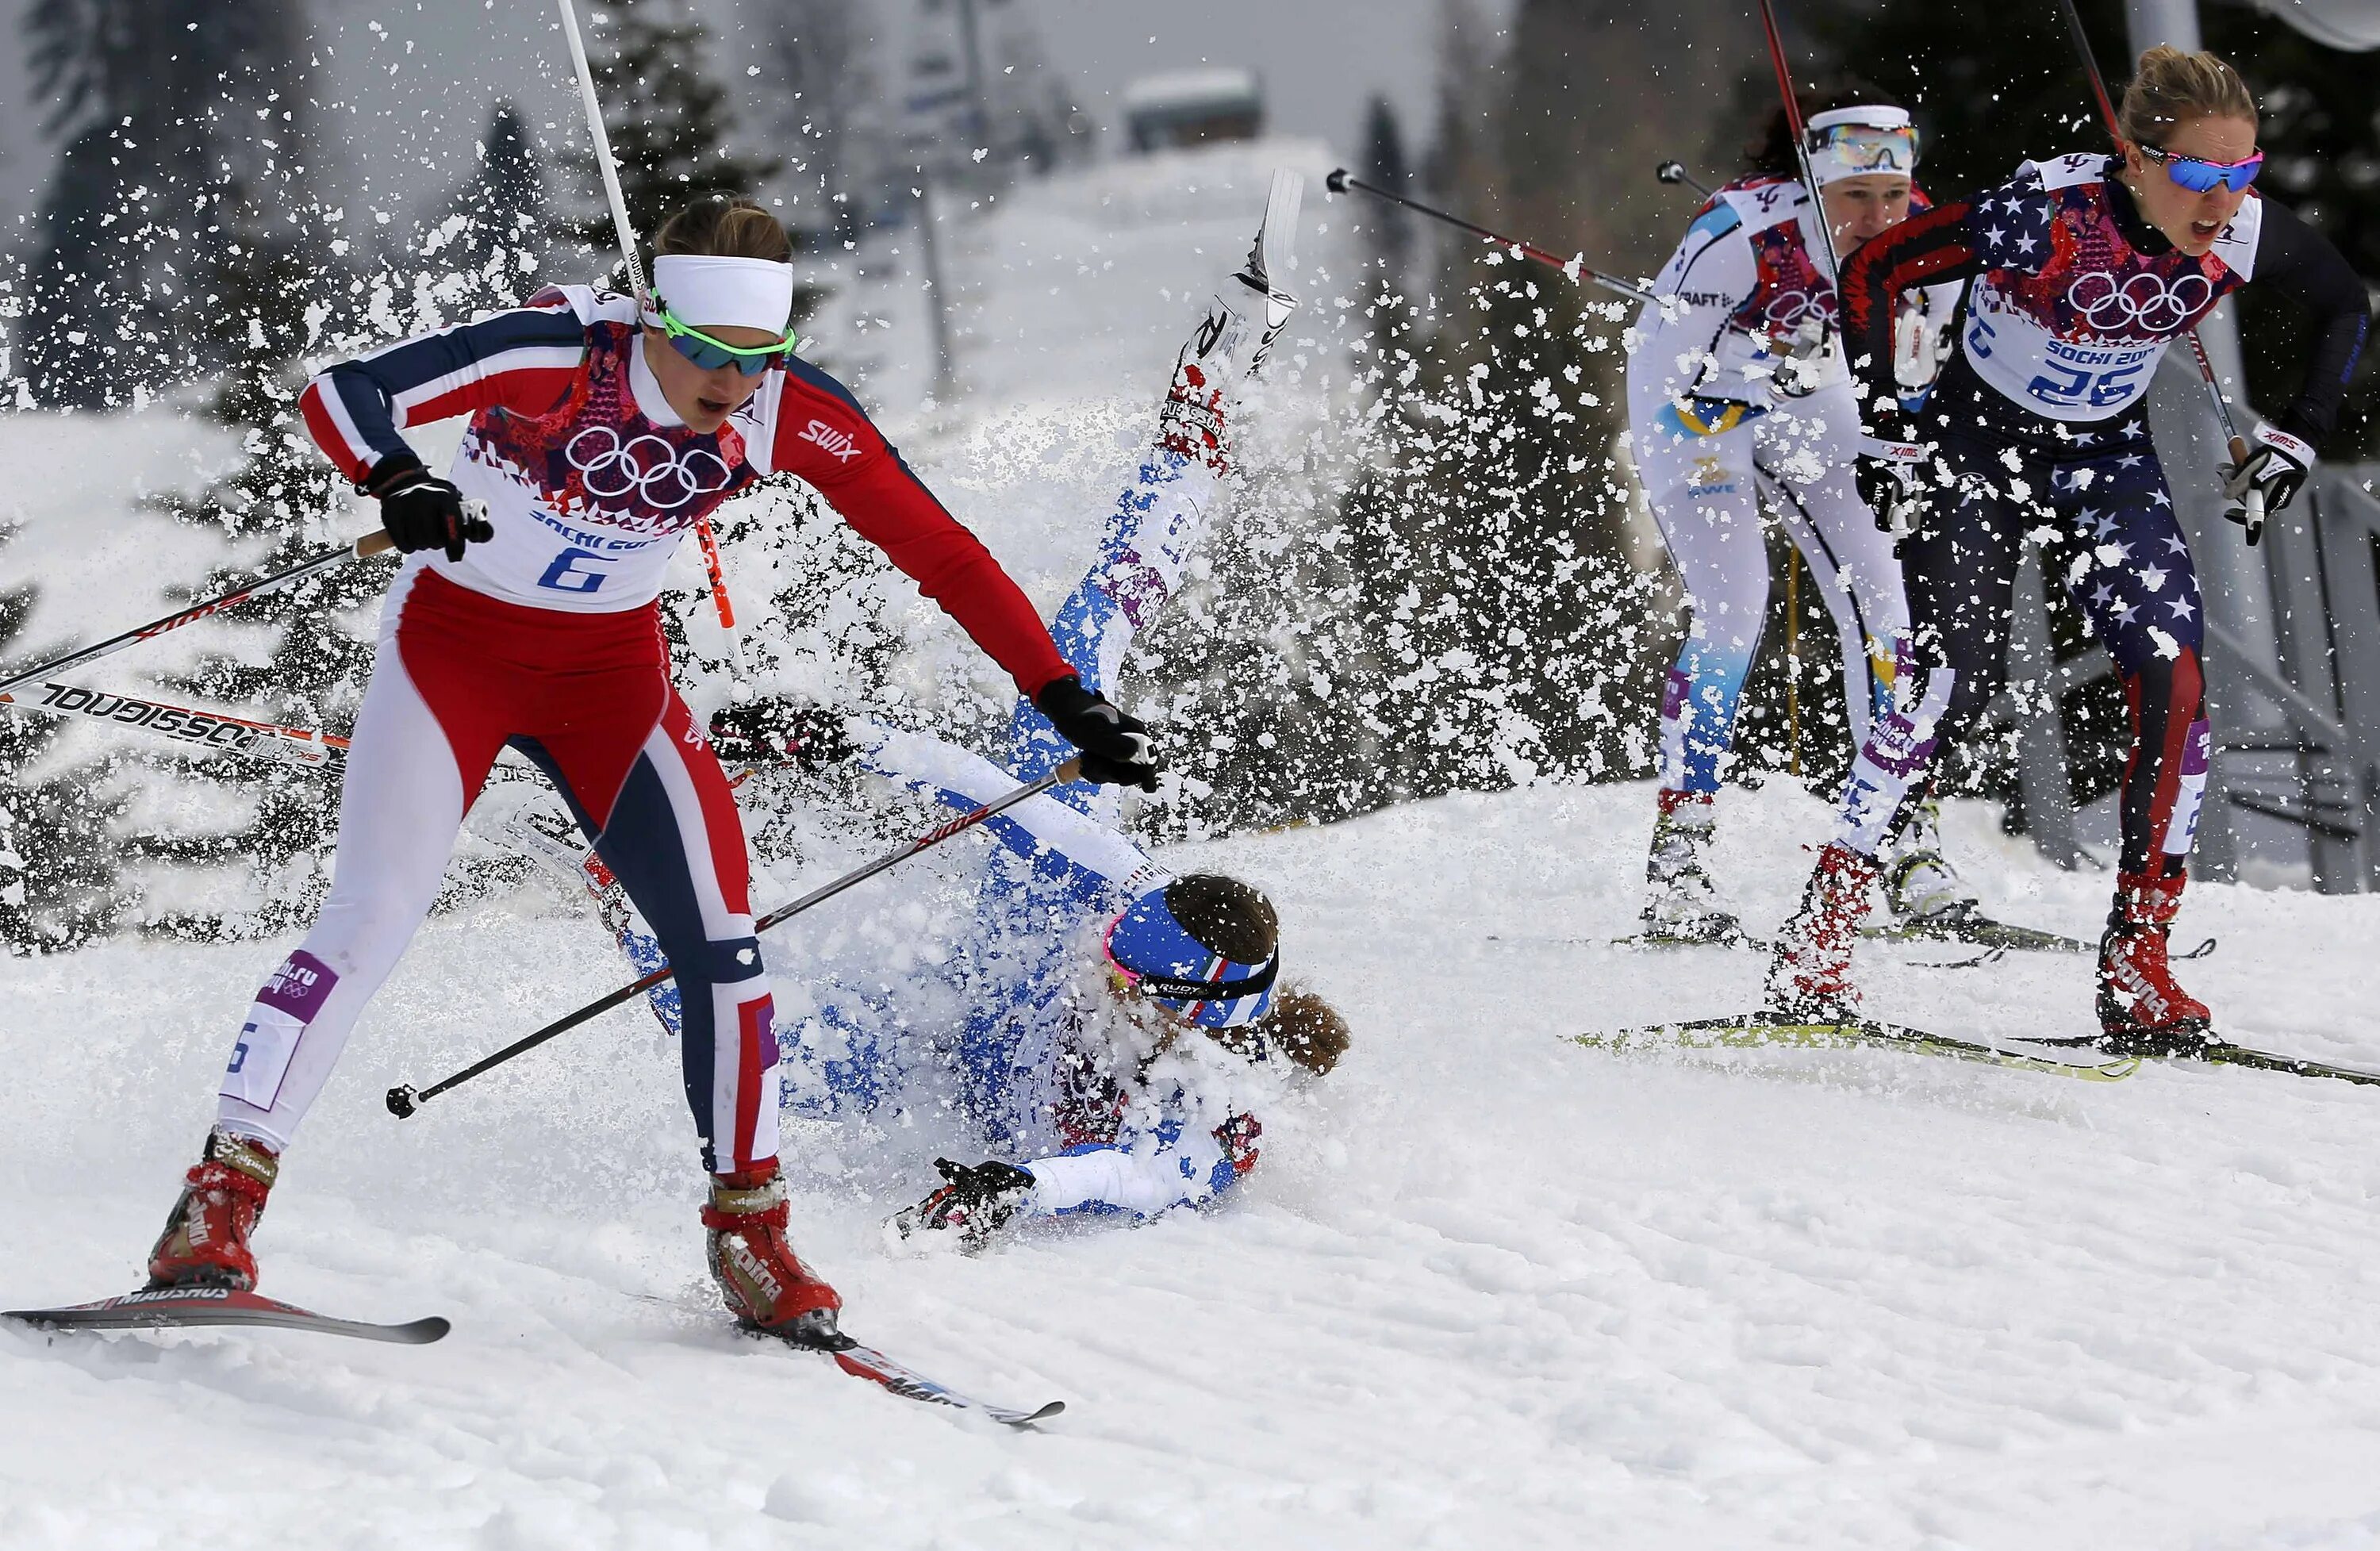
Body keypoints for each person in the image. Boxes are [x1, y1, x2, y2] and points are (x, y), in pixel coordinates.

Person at [142, 195, 1161, 1348]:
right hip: (455, 656)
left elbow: (938, 546)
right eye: (710, 357)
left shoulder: (786, 406)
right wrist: (394, 476)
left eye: (759, 359)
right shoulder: (558, 353)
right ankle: (215, 1210)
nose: (733, 389)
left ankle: (751, 1233)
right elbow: (341, 389)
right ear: (652, 315)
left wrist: (1059, 688)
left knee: (725, 944)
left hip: (609, 681)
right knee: (371, 918)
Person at [715, 189, 1352, 1244]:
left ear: (1169, 1005)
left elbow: (1137, 1178)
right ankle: (1213, 387)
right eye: (1115, 936)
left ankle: (616, 884)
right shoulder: (1104, 888)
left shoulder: (1212, 1094)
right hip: (997, 955)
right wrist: (838, 738)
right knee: (1080, 642)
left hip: (958, 1068)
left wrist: (1015, 1183)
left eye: (1119, 964)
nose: (1100, 953)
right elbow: (988, 794)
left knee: (784, 1055)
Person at [1766, 47, 2370, 1048]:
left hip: (2107, 467)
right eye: (2199, 174)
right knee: (1940, 691)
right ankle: (1820, 933)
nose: (2223, 202)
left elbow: (2343, 303)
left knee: (2177, 684)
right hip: (1979, 453)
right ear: (2138, 159)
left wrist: (2296, 439)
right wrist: (1884, 426)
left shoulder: (2238, 230)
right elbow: (1876, 266)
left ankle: (2140, 961)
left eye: (2242, 172)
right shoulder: (2045, 215)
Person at [1625, 87, 1970, 943]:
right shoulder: (1743, 235)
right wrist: (1757, 371)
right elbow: (1665, 365)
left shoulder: (1921, 233)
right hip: (1698, 413)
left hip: (1810, 403)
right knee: (1736, 613)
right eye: (1857, 198)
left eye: (1893, 197)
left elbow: (1926, 357)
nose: (1879, 217)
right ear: (1815, 184)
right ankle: (1680, 857)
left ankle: (1902, 834)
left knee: (1889, 609)